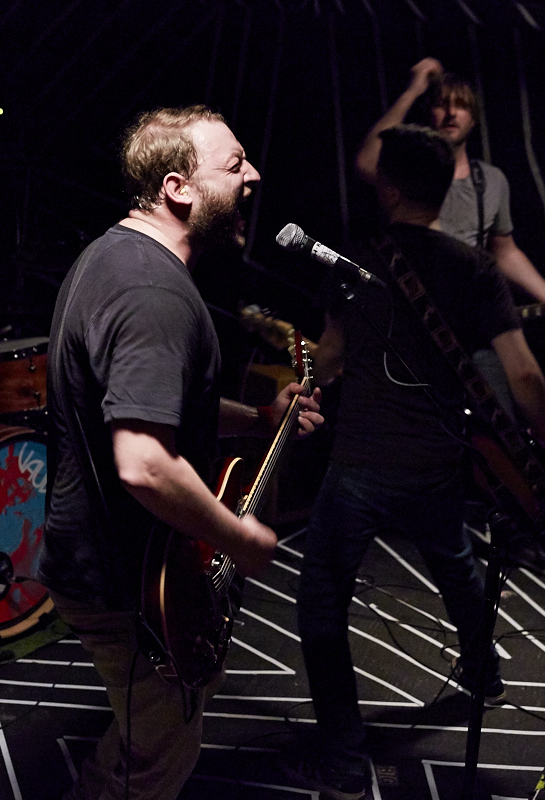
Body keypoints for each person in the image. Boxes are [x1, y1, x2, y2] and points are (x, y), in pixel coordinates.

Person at [38, 105, 323, 800]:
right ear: (178, 187)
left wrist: (258, 418)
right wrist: (239, 536)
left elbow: (151, 406)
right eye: (234, 165)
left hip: (125, 567)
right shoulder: (152, 292)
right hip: (127, 580)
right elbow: (142, 461)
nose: (252, 175)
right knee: (155, 760)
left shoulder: (118, 257)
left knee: (155, 731)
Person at [281, 125, 545, 800]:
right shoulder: (473, 268)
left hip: (361, 467)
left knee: (319, 606)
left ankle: (343, 762)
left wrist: (301, 379)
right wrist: (543, 448)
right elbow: (524, 377)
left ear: (389, 187)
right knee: (455, 561)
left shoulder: (355, 264)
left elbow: (331, 358)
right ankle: (484, 672)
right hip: (436, 461)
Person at [355, 59, 545, 325]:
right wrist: (413, 91)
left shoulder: (490, 180)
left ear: (474, 118)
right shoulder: (410, 170)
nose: (451, 113)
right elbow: (367, 162)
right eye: (442, 104)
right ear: (428, 112)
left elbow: (505, 252)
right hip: (408, 314)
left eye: (462, 106)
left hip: (466, 321)